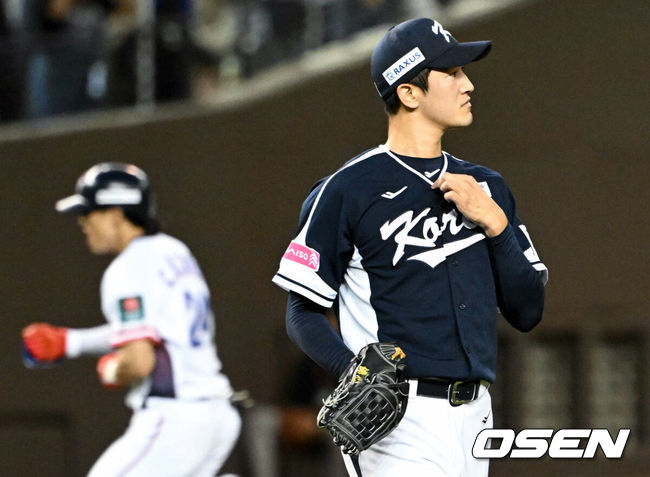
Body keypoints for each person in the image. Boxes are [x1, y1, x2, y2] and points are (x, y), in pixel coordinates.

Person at [272, 17, 548, 476]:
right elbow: (301, 311)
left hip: (476, 414)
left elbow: (528, 311)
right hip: (397, 414)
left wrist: (496, 224)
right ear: (409, 92)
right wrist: (353, 373)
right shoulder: (347, 190)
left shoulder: (488, 188)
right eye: (452, 73)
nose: (468, 84)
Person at [22, 162, 241, 477]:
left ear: (115, 214)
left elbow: (139, 362)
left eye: (90, 212)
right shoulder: (173, 250)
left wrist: (115, 369)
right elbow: (154, 327)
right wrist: (72, 342)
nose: (83, 222)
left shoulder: (127, 267)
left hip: (176, 418)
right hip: (217, 413)